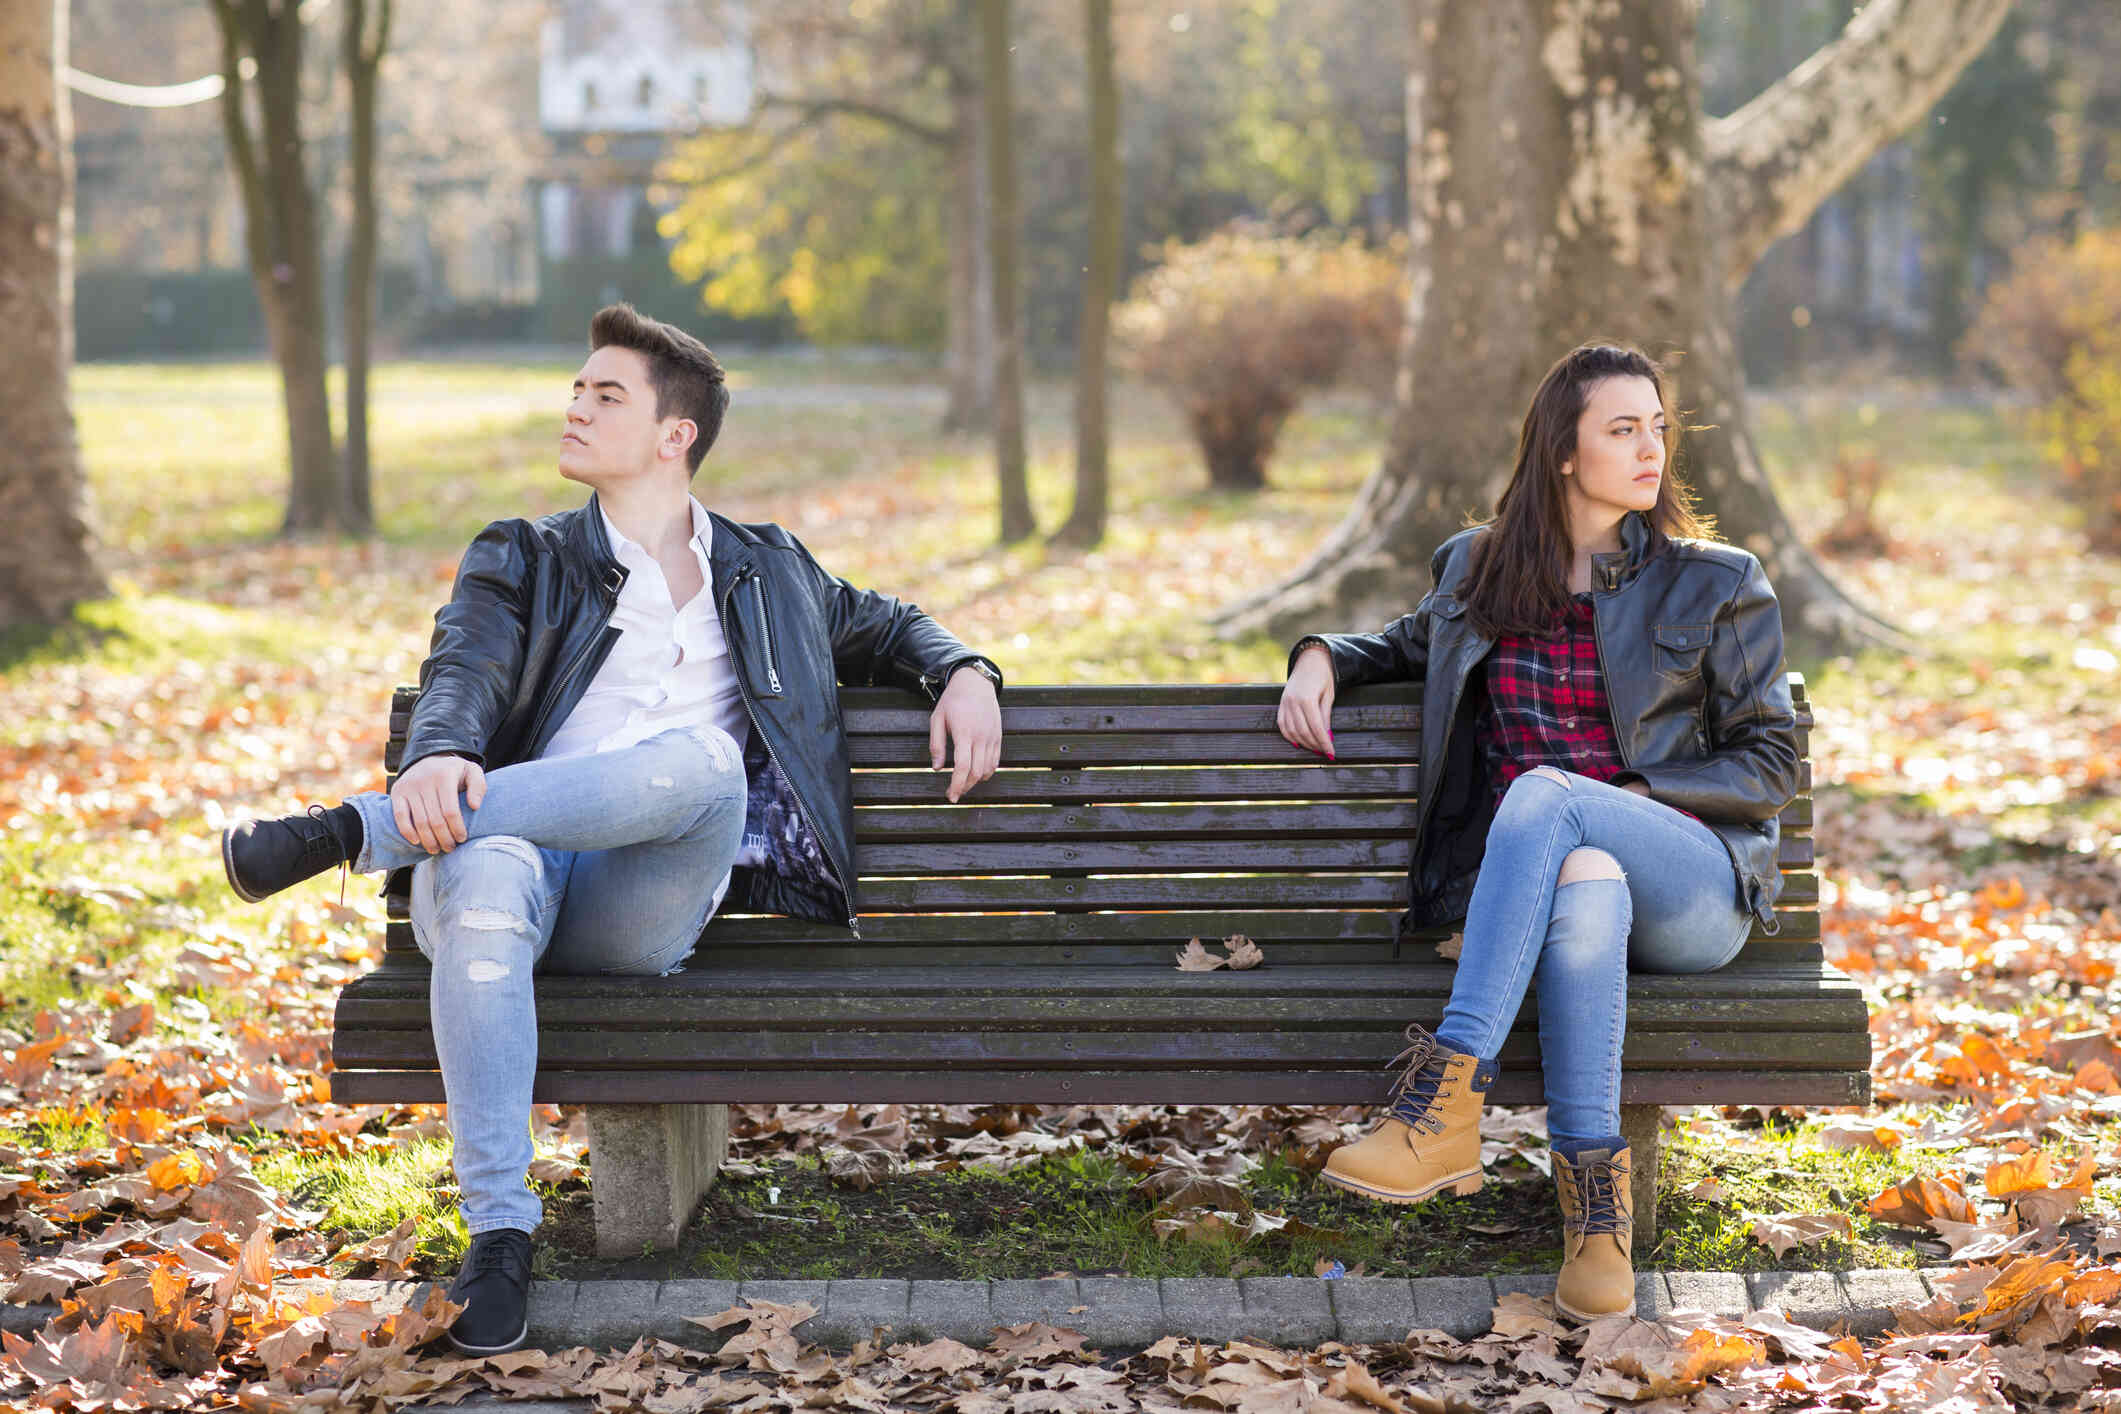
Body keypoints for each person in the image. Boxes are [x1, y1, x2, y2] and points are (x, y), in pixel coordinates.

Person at [218, 305, 1005, 1356]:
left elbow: (894, 623)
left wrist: (963, 671)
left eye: (606, 394)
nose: (576, 407)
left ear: (676, 434)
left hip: (644, 901)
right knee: (488, 864)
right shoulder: (525, 555)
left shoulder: (770, 571)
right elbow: (467, 664)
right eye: (576, 389)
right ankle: (501, 1235)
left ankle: (350, 833)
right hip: (509, 870)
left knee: (707, 759)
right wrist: (440, 751)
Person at [1276, 342, 1799, 1321]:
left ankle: (1442, 1104)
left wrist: (1639, 789)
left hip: (1693, 884)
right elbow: (1396, 646)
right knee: (1583, 867)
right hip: (1571, 889)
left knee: (1558, 800)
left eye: (1657, 427)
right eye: (1622, 428)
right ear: (1563, 449)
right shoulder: (1479, 570)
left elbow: (1772, 761)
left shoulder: (1716, 581)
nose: (1651, 448)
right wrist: (1317, 657)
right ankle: (1597, 1234)